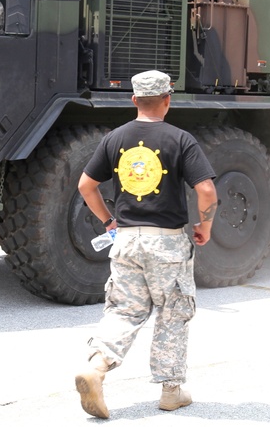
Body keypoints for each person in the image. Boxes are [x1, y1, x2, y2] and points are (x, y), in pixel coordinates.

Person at [74, 70, 218, 419]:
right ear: (168, 100)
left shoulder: (114, 139)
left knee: (123, 310)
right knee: (173, 312)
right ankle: (171, 391)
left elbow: (85, 186)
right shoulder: (181, 139)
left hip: (125, 241)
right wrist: (206, 225)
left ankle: (96, 367)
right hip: (165, 243)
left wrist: (109, 221)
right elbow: (207, 190)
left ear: (134, 100)